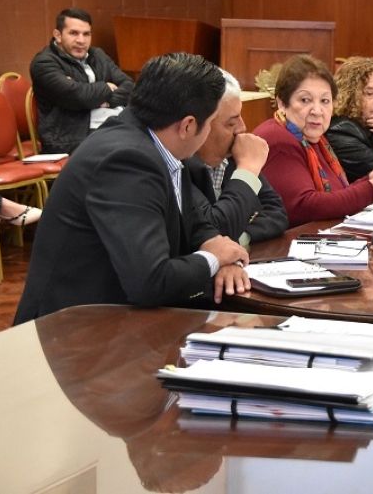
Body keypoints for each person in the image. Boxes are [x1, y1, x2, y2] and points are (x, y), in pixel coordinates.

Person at [13, 53, 250, 325]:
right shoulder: (127, 161)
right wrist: (213, 259)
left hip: (116, 321)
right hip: (71, 332)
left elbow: (194, 221)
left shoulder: (160, 142)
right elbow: (150, 282)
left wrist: (222, 253)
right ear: (187, 125)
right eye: (211, 122)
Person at [253, 54, 373, 227]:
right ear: (282, 103)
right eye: (305, 100)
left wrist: (368, 180)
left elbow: (335, 194)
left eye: (325, 101)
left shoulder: (315, 139)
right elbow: (303, 207)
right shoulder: (278, 139)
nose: (317, 111)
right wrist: (370, 189)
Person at [184, 69, 288, 246]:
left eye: (241, 117)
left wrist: (238, 239)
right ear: (197, 126)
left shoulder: (233, 153)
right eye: (231, 123)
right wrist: (246, 170)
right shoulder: (177, 164)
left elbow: (276, 213)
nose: (242, 128)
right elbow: (213, 229)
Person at [30, 7, 134, 154]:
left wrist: (105, 101)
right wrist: (106, 87)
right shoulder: (44, 63)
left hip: (108, 123)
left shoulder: (98, 55)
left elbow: (130, 87)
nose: (81, 40)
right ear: (58, 35)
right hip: (70, 137)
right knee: (133, 144)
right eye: (73, 33)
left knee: (154, 133)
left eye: (86, 34)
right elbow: (78, 95)